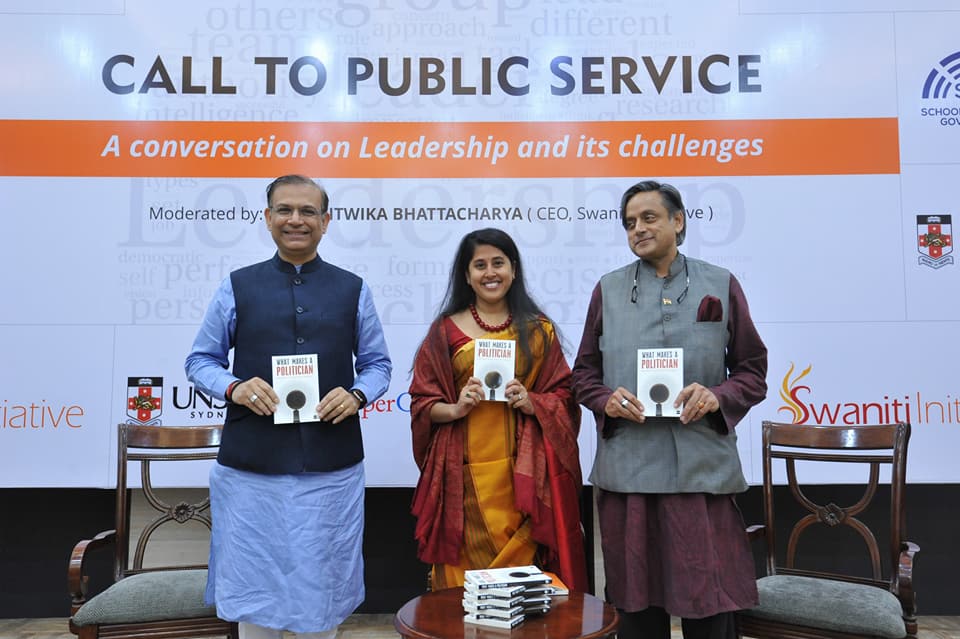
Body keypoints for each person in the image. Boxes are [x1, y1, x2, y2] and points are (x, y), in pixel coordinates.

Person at [185, 174, 392, 639]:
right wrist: (234, 387)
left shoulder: (353, 289)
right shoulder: (236, 286)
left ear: (326, 222)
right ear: (267, 218)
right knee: (254, 589)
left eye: (307, 212)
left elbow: (378, 364)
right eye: (284, 210)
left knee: (322, 587)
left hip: (330, 468)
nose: (295, 220)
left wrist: (357, 394)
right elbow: (200, 361)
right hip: (250, 469)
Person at [572, 180, 767, 639]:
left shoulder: (719, 284)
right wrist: (606, 400)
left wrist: (718, 396)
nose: (637, 229)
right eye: (629, 223)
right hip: (629, 471)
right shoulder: (608, 289)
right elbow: (583, 374)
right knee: (634, 606)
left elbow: (752, 371)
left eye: (648, 218)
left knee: (709, 600)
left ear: (678, 222)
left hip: (701, 470)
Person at [408, 228, 588, 592]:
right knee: (464, 593)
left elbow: (566, 398)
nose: (490, 273)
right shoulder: (444, 333)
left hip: (524, 482)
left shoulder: (539, 331)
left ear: (514, 269)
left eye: (498, 263)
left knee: (519, 590)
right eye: (479, 265)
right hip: (460, 483)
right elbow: (422, 405)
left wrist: (534, 402)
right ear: (466, 275)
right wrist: (456, 408)